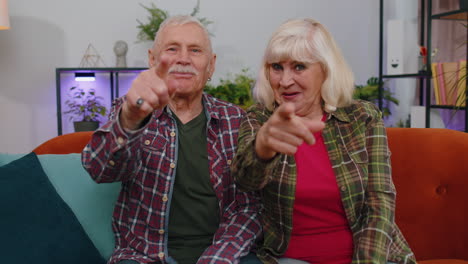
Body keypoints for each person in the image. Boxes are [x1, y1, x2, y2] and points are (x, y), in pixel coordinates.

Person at [231, 18, 416, 264]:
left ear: (326, 70)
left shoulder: (363, 117)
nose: (285, 81)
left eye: (298, 67)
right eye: (276, 67)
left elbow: (379, 201)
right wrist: (262, 147)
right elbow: (245, 180)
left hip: (370, 257)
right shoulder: (260, 118)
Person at [82, 15, 261, 264]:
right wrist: (130, 120)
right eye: (172, 49)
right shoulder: (131, 110)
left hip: (224, 255)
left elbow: (249, 209)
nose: (183, 58)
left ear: (211, 65)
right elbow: (99, 170)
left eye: (195, 50)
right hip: (142, 256)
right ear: (153, 60)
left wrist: (217, 259)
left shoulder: (236, 119)